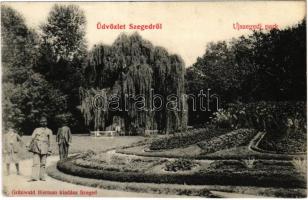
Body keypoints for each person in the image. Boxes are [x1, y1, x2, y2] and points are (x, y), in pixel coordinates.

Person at [27, 117, 53, 182]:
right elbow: (32, 137)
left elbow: (51, 141)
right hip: (36, 148)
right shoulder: (36, 130)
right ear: (40, 123)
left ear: (46, 123)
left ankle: (42, 177)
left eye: (45, 122)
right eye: (42, 122)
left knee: (43, 164)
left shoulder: (49, 131)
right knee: (35, 163)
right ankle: (34, 177)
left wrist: (50, 150)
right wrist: (28, 144)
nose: (43, 123)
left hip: (45, 148)